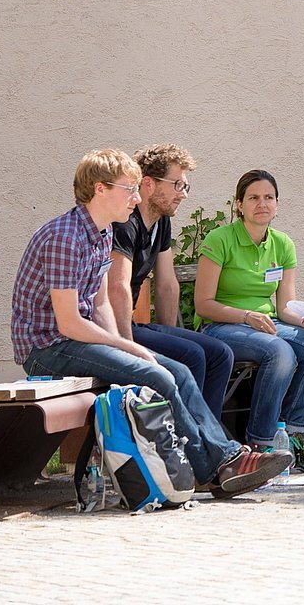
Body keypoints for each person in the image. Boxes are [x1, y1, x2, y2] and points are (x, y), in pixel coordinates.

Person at [11, 149, 289, 498]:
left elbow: (100, 303)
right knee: (158, 374)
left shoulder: (101, 234)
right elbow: (67, 323)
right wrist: (126, 345)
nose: (135, 196)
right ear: (100, 189)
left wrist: (124, 345)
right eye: (129, 189)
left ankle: (222, 462)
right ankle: (219, 466)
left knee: (178, 371)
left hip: (77, 340)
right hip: (47, 348)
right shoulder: (65, 237)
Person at [194, 170, 304, 461]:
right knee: (280, 352)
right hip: (221, 326)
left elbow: (285, 306)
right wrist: (246, 315)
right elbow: (203, 305)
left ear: (277, 204)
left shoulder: (283, 244)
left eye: (269, 197)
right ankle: (261, 442)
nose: (262, 204)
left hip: (267, 324)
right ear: (239, 204)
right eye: (253, 198)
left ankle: (289, 433)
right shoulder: (220, 239)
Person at [106, 143, 234, 420]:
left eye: (185, 186)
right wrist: (126, 347)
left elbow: (166, 284)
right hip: (110, 328)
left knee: (220, 354)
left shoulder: (161, 222)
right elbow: (117, 286)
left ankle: (206, 434)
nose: (183, 194)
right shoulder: (125, 223)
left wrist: (168, 336)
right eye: (177, 185)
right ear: (148, 184)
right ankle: (185, 438)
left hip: (131, 325)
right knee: (192, 355)